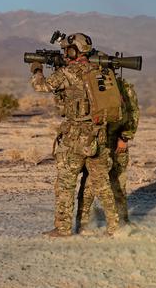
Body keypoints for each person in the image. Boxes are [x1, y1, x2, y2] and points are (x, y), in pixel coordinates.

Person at [30, 32, 119, 237]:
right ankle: (115, 227)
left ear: (73, 50)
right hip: (99, 136)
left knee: (65, 184)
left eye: (66, 50)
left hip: (75, 139)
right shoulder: (101, 70)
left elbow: (40, 86)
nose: (64, 53)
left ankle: (63, 229)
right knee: (102, 184)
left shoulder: (68, 73)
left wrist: (36, 69)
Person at [76, 76, 139, 232]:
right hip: (96, 143)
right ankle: (83, 224)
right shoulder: (88, 83)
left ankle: (122, 222)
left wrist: (125, 138)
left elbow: (133, 113)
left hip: (117, 141)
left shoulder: (123, 87)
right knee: (89, 184)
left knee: (118, 183)